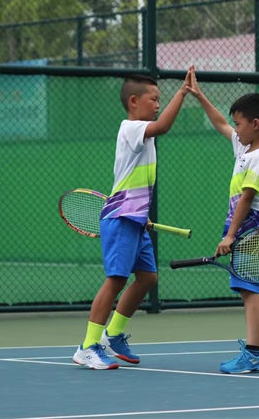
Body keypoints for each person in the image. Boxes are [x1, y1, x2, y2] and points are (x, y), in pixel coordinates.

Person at [73, 67, 194, 370]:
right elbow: (163, 126)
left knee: (148, 278)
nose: (157, 105)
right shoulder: (130, 128)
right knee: (116, 280)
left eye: (160, 100)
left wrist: (142, 214)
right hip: (120, 218)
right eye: (154, 99)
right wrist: (182, 92)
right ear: (133, 102)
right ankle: (87, 346)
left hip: (135, 219)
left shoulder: (143, 135)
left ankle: (112, 335)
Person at [187, 74, 259, 374]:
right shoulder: (244, 147)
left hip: (256, 227)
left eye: (239, 124)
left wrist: (230, 235)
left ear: (256, 124)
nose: (234, 129)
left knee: (250, 290)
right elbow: (220, 123)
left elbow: (247, 199)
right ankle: (255, 352)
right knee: (247, 290)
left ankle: (254, 354)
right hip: (246, 227)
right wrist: (200, 96)